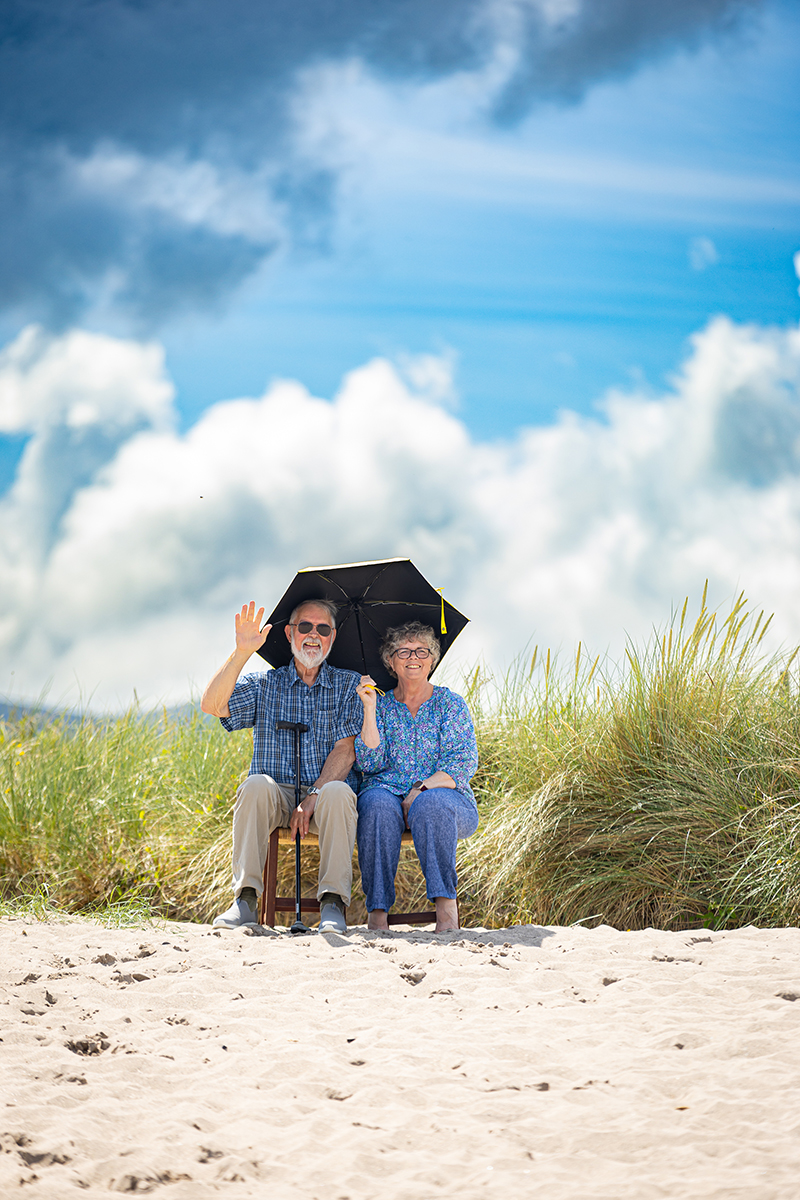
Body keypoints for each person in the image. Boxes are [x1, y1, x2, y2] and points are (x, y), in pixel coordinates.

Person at [201, 598, 362, 933]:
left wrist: (312, 797)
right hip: (276, 795)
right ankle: (245, 901)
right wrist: (242, 651)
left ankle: (332, 904)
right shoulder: (266, 684)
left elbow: (346, 751)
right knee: (255, 785)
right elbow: (213, 705)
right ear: (290, 633)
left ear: (332, 637)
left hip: (323, 795)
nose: (313, 635)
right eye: (304, 626)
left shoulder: (348, 685)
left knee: (339, 792)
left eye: (323, 629)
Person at [355, 621, 479, 933]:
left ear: (433, 659)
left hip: (447, 802)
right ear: (390, 660)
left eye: (422, 650)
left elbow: (462, 764)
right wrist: (369, 710)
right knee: (376, 805)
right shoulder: (381, 705)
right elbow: (369, 763)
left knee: (431, 804)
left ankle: (446, 913)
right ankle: (378, 914)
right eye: (404, 651)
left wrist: (420, 789)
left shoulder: (450, 704)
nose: (414, 656)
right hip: (387, 795)